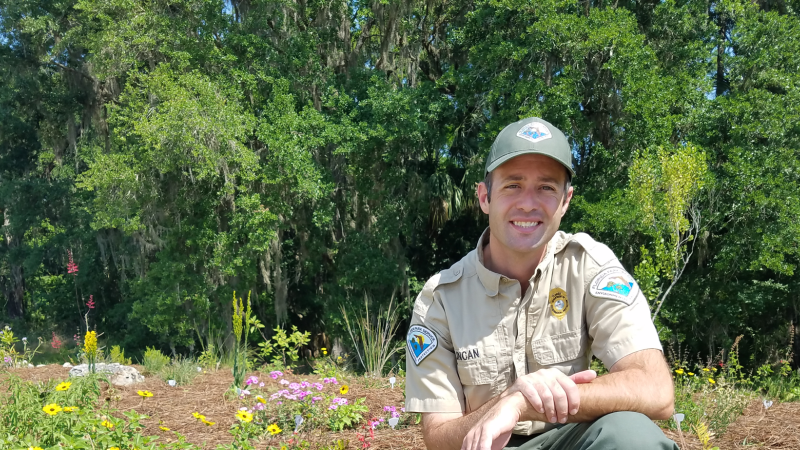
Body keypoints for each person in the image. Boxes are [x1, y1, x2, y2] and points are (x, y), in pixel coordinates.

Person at [404, 118, 678, 450]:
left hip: (570, 438)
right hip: (489, 446)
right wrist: (508, 397)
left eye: (546, 187)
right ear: (484, 197)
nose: (529, 203)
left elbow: (656, 390)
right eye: (512, 185)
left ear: (566, 200)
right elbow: (438, 436)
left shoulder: (589, 266)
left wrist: (522, 403)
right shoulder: (441, 298)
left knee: (631, 435)